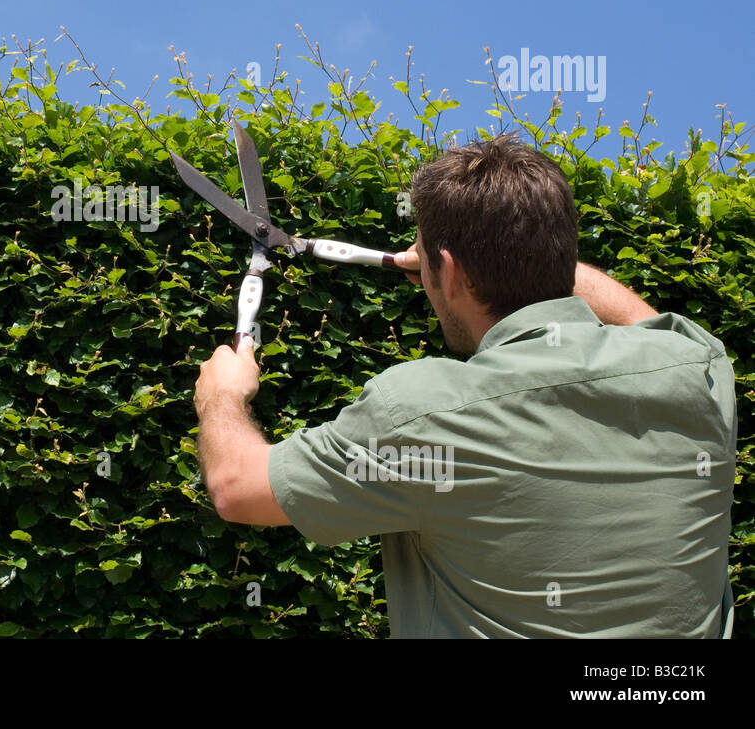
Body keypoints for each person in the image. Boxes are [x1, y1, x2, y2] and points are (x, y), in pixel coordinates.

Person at [192, 133, 736, 637]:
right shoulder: (699, 368)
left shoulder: (421, 413)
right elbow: (642, 321)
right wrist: (510, 258)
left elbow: (237, 487)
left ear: (448, 272)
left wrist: (223, 394)